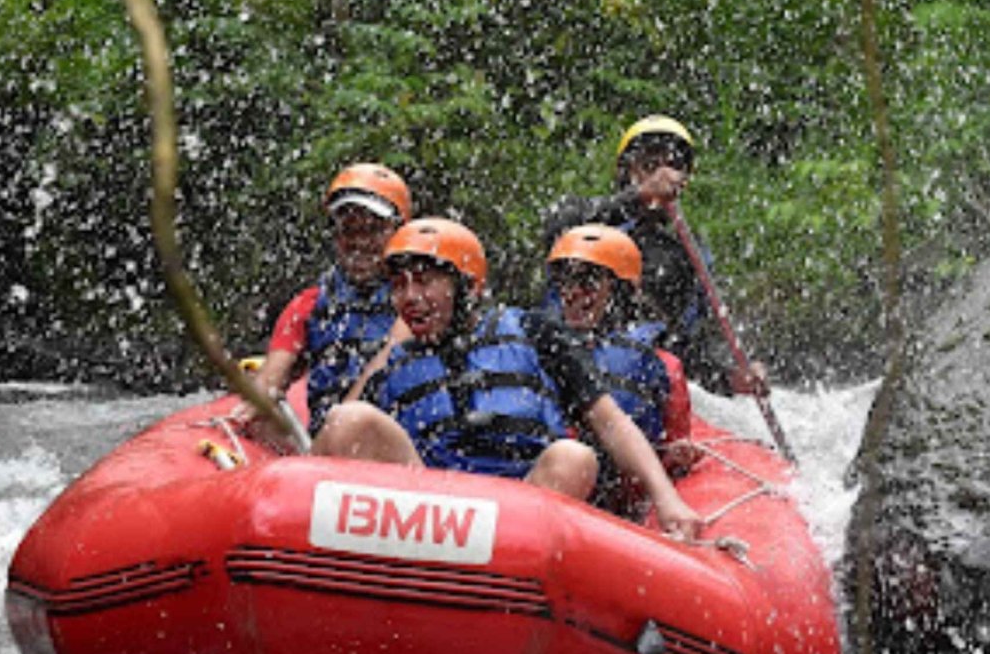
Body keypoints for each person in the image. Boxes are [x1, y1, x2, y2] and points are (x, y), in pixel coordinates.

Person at [313, 217, 702, 539]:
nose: (409, 297)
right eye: (399, 285)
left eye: (425, 280)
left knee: (574, 458)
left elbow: (611, 422)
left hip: (522, 506)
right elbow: (340, 435)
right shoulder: (394, 361)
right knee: (348, 419)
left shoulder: (536, 332)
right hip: (427, 512)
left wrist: (667, 500)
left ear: (468, 287)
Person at [541, 116, 766, 396]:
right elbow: (555, 230)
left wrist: (729, 378)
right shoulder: (587, 220)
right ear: (627, 171)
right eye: (649, 165)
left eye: (673, 166)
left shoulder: (686, 255)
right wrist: (640, 195)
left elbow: (684, 347)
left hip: (635, 382)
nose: (662, 175)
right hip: (565, 365)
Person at [239, 163, 412, 436]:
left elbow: (384, 369)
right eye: (349, 230)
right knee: (261, 424)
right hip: (332, 452)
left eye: (373, 229)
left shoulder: (419, 304)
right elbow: (272, 379)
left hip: (401, 450)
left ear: (399, 233)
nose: (360, 242)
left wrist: (340, 430)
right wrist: (255, 402)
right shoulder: (308, 305)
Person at [544, 223, 702, 505]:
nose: (573, 292)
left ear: (619, 293)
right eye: (565, 280)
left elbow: (671, 452)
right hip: (550, 492)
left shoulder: (664, 366)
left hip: (616, 512)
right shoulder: (534, 349)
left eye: (589, 281)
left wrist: (670, 459)